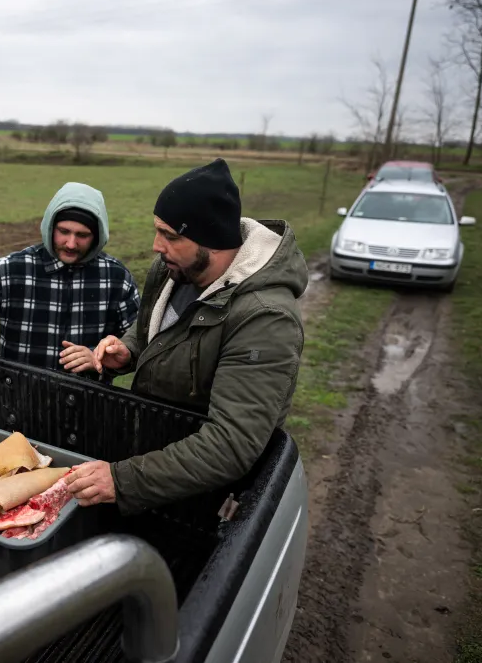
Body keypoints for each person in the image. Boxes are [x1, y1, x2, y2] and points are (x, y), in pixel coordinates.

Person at [65, 158, 308, 513]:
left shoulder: (265, 319)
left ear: (212, 241)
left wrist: (122, 480)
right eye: (157, 231)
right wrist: (130, 350)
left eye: (170, 235)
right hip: (150, 457)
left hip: (199, 493)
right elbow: (154, 325)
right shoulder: (172, 270)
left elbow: (230, 444)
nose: (156, 246)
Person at [0, 182, 140, 379]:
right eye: (64, 232)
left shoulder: (117, 278)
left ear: (97, 235)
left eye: (82, 235)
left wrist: (100, 359)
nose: (71, 244)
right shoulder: (15, 269)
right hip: (17, 401)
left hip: (88, 407)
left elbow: (139, 339)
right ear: (51, 226)